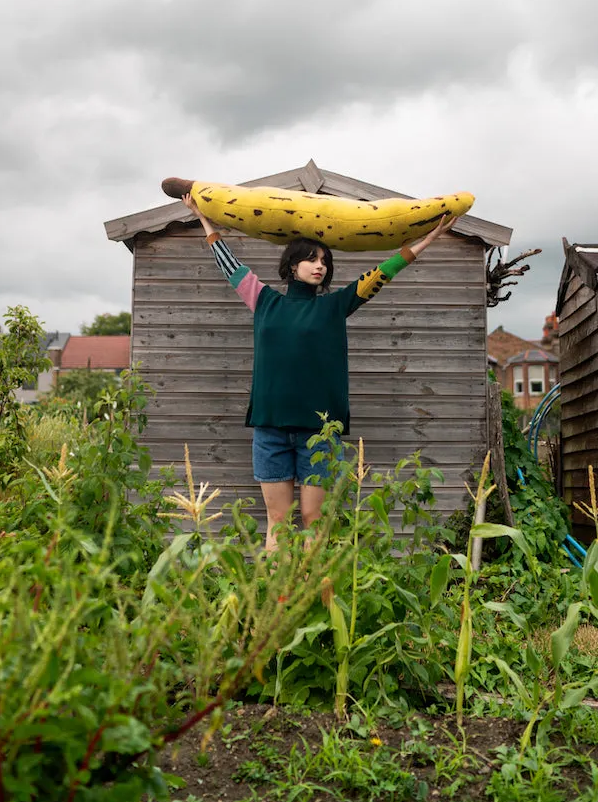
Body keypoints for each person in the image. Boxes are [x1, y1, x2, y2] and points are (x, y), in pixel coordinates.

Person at [183, 192, 456, 549]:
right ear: (291, 265)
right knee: (278, 523)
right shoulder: (264, 300)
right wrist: (203, 218)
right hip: (271, 430)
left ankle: (316, 600)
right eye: (311, 259)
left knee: (314, 521)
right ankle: (278, 602)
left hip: (320, 434)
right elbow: (229, 264)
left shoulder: (336, 305)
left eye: (324, 260)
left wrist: (430, 238)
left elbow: (385, 271)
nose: (320, 266)